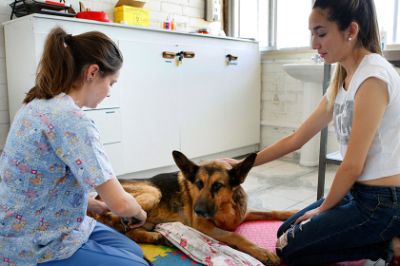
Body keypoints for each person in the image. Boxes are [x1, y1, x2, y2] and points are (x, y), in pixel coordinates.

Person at [225, 0, 400, 265]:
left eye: (321, 33)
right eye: (311, 34)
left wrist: (323, 208)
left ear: (350, 30)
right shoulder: (343, 77)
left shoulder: (373, 77)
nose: (313, 44)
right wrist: (242, 165)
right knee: (285, 232)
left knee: (287, 248)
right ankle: (380, 239)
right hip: (358, 194)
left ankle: (384, 247)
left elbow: (352, 165)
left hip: (383, 203)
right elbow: (297, 138)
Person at [0, 27, 149, 266]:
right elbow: (120, 204)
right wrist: (140, 213)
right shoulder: (72, 120)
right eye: (111, 82)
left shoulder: (36, 102)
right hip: (35, 242)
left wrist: (89, 203)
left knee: (133, 250)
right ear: (92, 72)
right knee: (139, 263)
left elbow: (40, 178)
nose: (110, 92)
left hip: (32, 222)